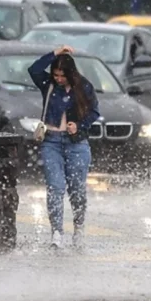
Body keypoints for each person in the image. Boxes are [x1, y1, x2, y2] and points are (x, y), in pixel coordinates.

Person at [28, 45, 100, 250]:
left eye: (62, 75)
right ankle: (57, 232)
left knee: (77, 190)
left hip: (76, 144)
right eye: (56, 74)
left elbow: (95, 111)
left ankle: (78, 228)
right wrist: (55, 53)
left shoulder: (83, 87)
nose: (58, 78)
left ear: (70, 73)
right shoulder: (48, 85)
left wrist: (80, 125)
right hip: (51, 141)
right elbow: (33, 69)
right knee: (55, 188)